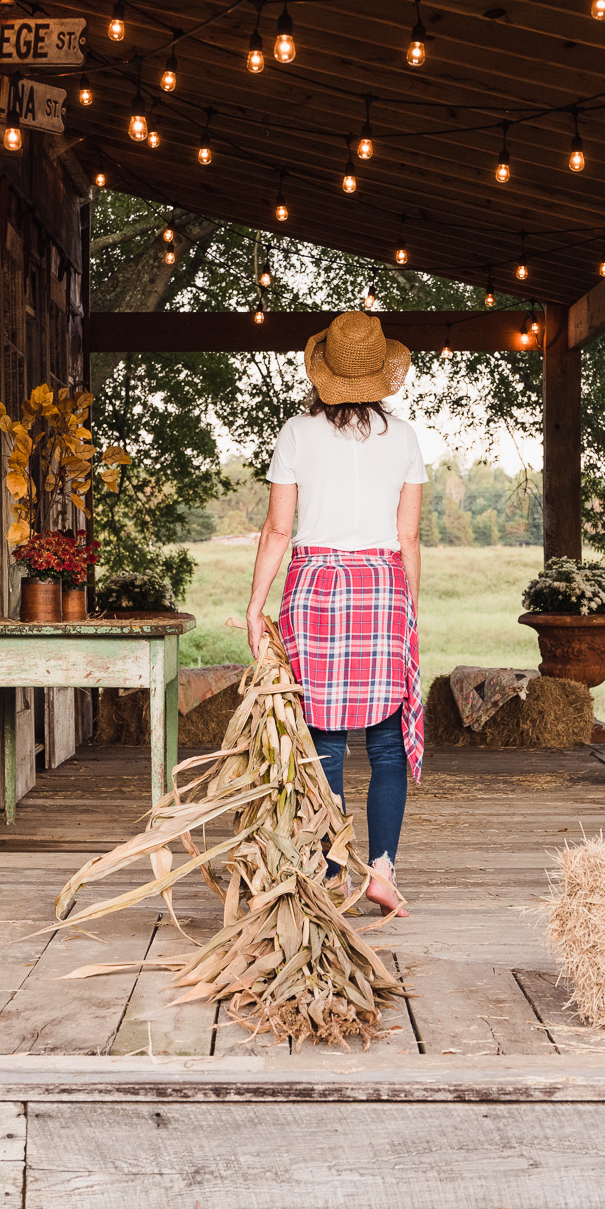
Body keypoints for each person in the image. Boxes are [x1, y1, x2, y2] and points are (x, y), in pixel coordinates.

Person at [246, 310, 425, 917]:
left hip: (315, 585)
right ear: (381, 374)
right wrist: (410, 612)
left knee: (322, 741)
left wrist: (254, 606)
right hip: (381, 585)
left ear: (323, 372)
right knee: (385, 743)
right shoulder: (403, 438)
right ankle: (381, 871)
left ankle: (329, 875)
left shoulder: (296, 432)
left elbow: (277, 529)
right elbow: (409, 539)